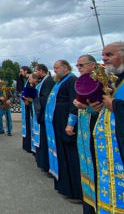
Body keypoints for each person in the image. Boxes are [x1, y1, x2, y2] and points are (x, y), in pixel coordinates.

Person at [89, 42, 124, 213]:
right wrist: (101, 108)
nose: (104, 58)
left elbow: (117, 106)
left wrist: (115, 105)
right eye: (103, 55)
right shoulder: (115, 81)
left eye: (109, 54)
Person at [45, 60, 82, 201]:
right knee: (62, 155)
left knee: (70, 156)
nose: (54, 70)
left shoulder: (72, 80)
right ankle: (64, 186)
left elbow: (74, 103)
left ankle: (75, 191)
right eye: (53, 68)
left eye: (57, 68)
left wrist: (71, 124)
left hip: (65, 123)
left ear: (66, 68)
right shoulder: (60, 81)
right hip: (58, 124)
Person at [67, 55, 98, 213]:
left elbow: (102, 107)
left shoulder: (99, 81)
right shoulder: (82, 82)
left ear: (92, 65)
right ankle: (88, 201)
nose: (78, 68)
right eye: (77, 65)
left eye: (81, 65)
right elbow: (77, 105)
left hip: (96, 130)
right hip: (84, 128)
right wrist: (71, 122)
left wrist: (87, 108)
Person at [33, 64, 55, 173]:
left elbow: (46, 98)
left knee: (45, 140)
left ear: (41, 71)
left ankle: (47, 164)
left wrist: (34, 98)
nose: (35, 73)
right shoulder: (44, 81)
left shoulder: (48, 81)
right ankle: (44, 163)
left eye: (36, 71)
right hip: (43, 114)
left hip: (46, 114)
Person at [19, 66, 33, 152]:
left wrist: (26, 98)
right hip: (26, 105)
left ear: (26, 71)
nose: (20, 73)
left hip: (29, 106)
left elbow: (32, 91)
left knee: (30, 125)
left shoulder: (30, 79)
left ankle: (30, 145)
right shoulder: (27, 80)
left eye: (21, 71)